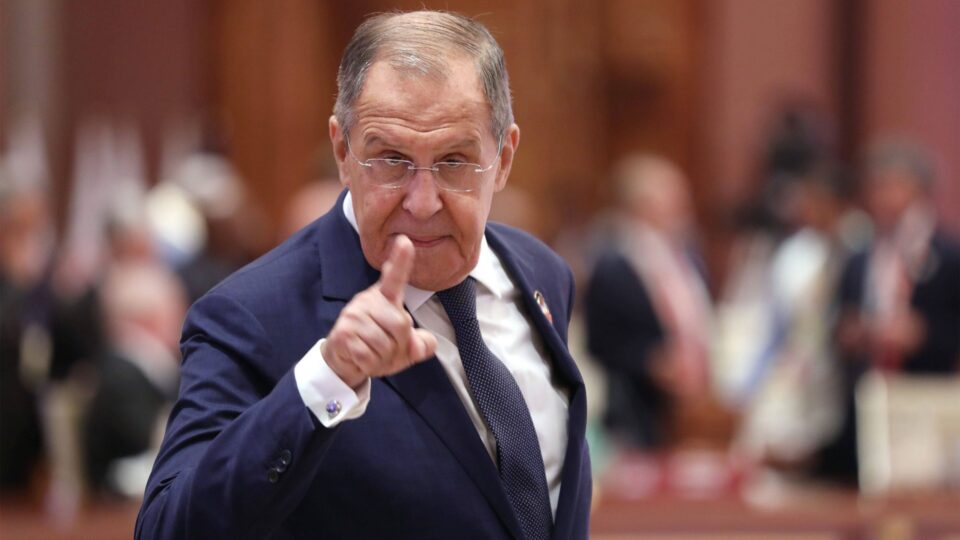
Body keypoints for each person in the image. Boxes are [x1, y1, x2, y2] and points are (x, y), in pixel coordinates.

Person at [137, 10, 591, 540]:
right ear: (343, 152)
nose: (422, 202)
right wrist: (326, 379)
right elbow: (167, 529)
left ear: (504, 157)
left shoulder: (541, 272)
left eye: (454, 161)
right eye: (391, 159)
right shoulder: (251, 316)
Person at [816, 139, 960, 484]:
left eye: (895, 186)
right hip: (867, 402)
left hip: (924, 400)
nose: (885, 197)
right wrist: (850, 333)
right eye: (878, 187)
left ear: (920, 191)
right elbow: (833, 324)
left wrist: (923, 334)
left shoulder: (949, 256)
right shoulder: (858, 258)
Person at [584, 155, 715, 451]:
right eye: (674, 198)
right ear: (643, 205)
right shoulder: (613, 266)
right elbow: (599, 342)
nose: (684, 208)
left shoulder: (685, 258)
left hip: (687, 404)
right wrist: (650, 361)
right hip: (634, 408)